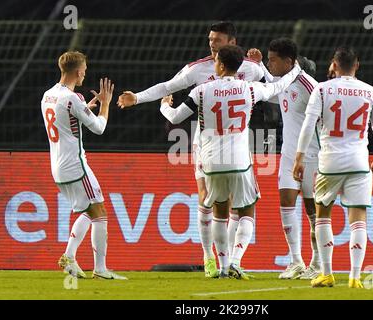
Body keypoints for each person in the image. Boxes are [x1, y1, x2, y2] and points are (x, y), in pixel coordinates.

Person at [117, 21, 264, 278]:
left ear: (231, 42)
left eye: (217, 40)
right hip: (204, 143)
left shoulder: (249, 68)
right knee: (207, 199)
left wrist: (261, 64)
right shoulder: (196, 70)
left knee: (232, 206)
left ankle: (227, 260)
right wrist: (137, 97)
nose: (211, 43)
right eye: (210, 39)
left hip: (237, 142)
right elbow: (167, 87)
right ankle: (209, 257)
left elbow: (270, 83)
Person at [159, 45, 301, 279]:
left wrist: (165, 104)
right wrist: (295, 71)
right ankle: (235, 261)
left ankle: (223, 267)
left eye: (216, 61)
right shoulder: (250, 89)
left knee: (219, 214)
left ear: (222, 65)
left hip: (212, 162)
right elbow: (278, 86)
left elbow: (175, 117)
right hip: (239, 160)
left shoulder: (202, 91)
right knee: (247, 211)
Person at [293, 46, 373, 288]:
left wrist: (299, 158)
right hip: (359, 161)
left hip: (330, 163)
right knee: (359, 220)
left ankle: (327, 273)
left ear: (334, 65)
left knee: (323, 215)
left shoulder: (322, 90)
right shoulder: (371, 91)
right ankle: (355, 277)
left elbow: (307, 126)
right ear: (357, 65)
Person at [41, 51, 126, 280]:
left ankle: (71, 257)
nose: (85, 74)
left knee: (92, 210)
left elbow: (64, 120)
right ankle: (98, 268)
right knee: (99, 212)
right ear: (78, 72)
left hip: (57, 166)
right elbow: (99, 128)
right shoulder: (73, 98)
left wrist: (84, 108)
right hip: (76, 165)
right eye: (85, 70)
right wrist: (104, 105)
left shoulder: (48, 95)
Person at [247, 38, 321, 280]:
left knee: (313, 211)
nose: (270, 63)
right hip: (289, 154)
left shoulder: (310, 86)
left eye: (272, 60)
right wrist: (259, 67)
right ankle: (296, 261)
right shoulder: (283, 81)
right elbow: (270, 89)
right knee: (286, 203)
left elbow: (325, 115)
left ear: (288, 62)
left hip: (312, 156)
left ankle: (318, 263)